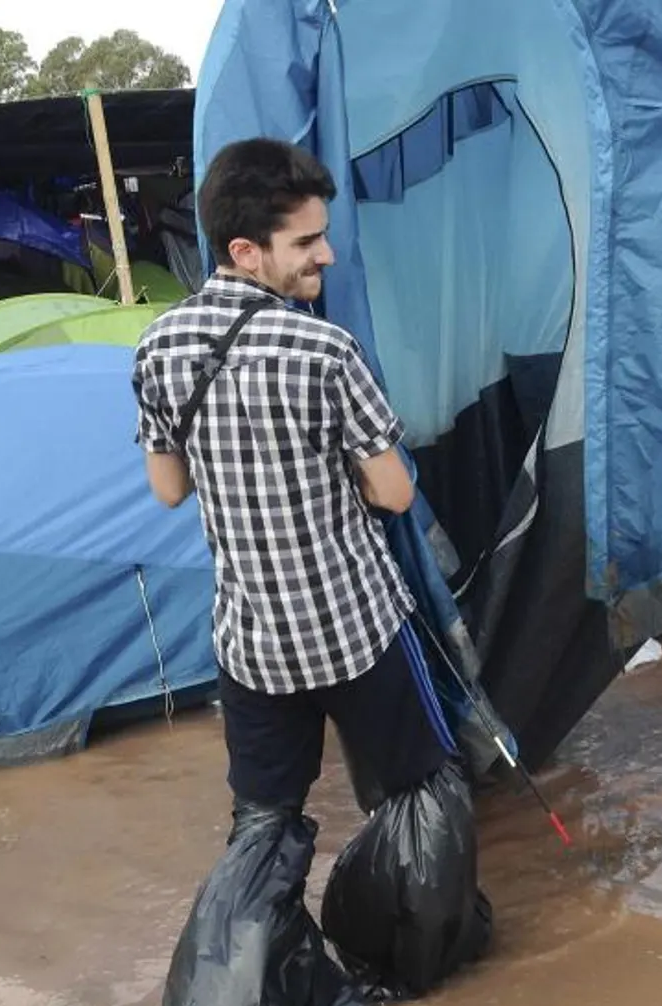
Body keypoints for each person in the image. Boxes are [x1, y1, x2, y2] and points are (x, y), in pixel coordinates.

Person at [132, 136, 446, 818]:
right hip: (356, 629)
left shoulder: (158, 345)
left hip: (252, 643)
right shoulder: (327, 349)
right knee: (412, 806)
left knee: (264, 821)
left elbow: (169, 488)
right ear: (246, 251)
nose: (325, 256)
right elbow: (395, 493)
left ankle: (260, 925)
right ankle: (417, 927)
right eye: (307, 242)